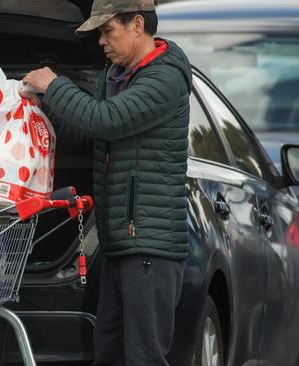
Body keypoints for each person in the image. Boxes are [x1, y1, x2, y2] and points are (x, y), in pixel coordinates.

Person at [20, 0, 191, 365]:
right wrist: (41, 105)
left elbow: (106, 121)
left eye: (107, 31)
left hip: (149, 245)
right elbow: (86, 135)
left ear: (137, 25)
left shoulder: (165, 77)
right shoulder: (113, 77)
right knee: (109, 350)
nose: (101, 41)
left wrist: (55, 86)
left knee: (143, 355)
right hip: (119, 242)